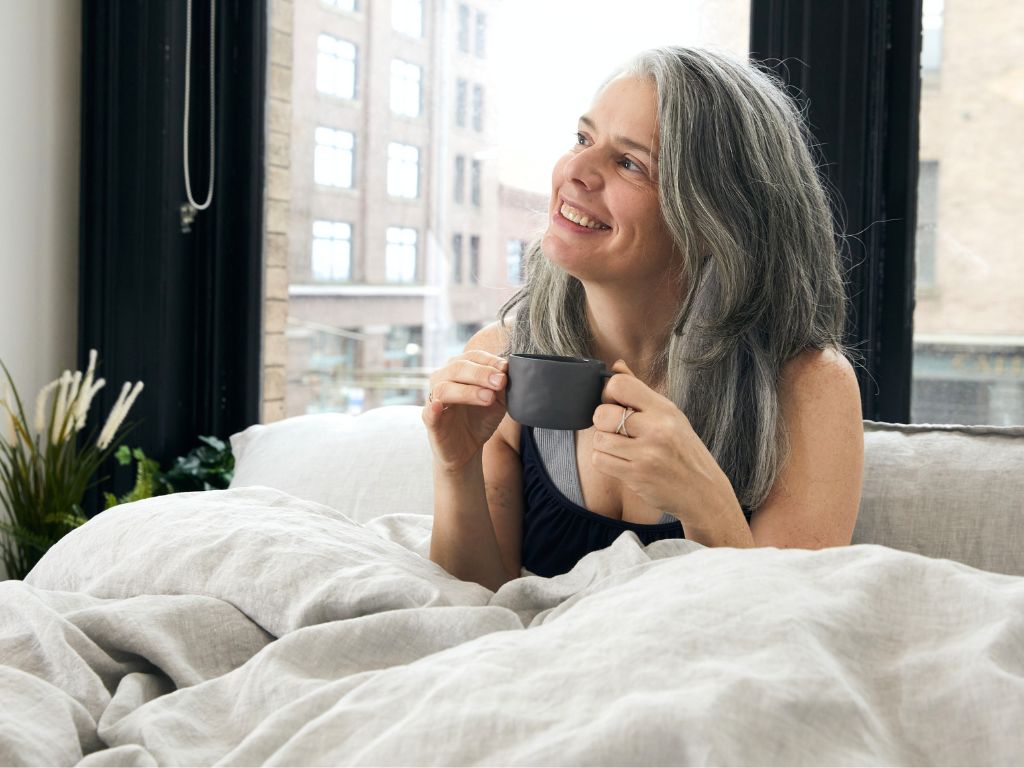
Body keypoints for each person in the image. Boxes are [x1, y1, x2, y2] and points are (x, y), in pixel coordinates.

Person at [423, 46, 864, 591]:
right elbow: (470, 608)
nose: (575, 172)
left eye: (630, 163)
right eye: (584, 139)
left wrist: (707, 505)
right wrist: (456, 468)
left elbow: (785, 629)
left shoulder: (808, 387)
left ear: (712, 220)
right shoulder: (504, 358)